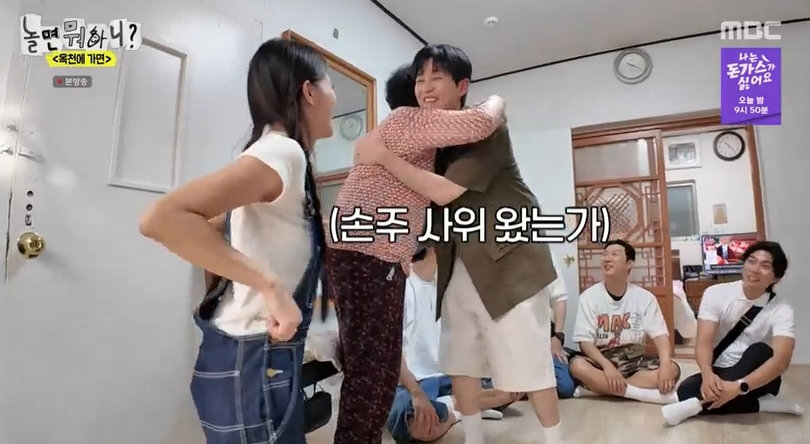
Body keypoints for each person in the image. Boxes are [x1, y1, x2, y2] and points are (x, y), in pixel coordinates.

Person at [354, 44, 564, 444]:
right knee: (461, 360)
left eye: (437, 78)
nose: (426, 87)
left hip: (509, 264)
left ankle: (555, 440)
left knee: (530, 365)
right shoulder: (429, 142)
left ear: (462, 86)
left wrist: (383, 156)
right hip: (456, 267)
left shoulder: (483, 129)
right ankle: (473, 438)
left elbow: (444, 191)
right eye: (420, 79)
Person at [139, 38, 333, 443]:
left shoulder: (281, 156)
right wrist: (270, 287)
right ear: (309, 92)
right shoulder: (283, 152)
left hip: (250, 357)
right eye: (330, 85)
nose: (334, 97)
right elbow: (163, 219)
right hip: (253, 363)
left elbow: (210, 229)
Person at [327, 64, 506, 444]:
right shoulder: (408, 120)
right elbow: (481, 122)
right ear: (419, 96)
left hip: (375, 258)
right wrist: (497, 100)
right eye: (426, 82)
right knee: (370, 372)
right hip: (366, 256)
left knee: (379, 370)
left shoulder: (409, 137)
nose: (432, 90)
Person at [387, 246, 522, 443]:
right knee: (412, 421)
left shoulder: (447, 288)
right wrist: (416, 393)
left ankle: (458, 404)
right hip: (413, 384)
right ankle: (460, 408)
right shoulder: (402, 288)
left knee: (514, 384)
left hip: (449, 379)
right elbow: (392, 354)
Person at [662, 241, 804, 426]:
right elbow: (704, 342)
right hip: (721, 369)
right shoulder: (715, 293)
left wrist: (740, 386)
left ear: (776, 277)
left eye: (765, 266)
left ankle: (699, 405)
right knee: (686, 390)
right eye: (751, 261)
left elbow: (781, 360)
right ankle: (763, 404)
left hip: (758, 376)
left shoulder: (782, 309)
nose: (755, 269)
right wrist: (707, 375)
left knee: (760, 350)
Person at [569, 239, 681, 405]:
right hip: (601, 360)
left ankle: (598, 389)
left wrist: (664, 366)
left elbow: (660, 335)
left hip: (634, 361)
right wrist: (607, 367)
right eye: (605, 254)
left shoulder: (645, 297)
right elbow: (584, 342)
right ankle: (639, 393)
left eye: (614, 254)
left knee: (673, 369)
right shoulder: (589, 297)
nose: (607, 259)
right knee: (577, 366)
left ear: (629, 263)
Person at [547, 257, 577, 399]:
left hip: (545, 333)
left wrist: (558, 337)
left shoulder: (546, 255)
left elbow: (559, 298)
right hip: (509, 334)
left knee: (565, 387)